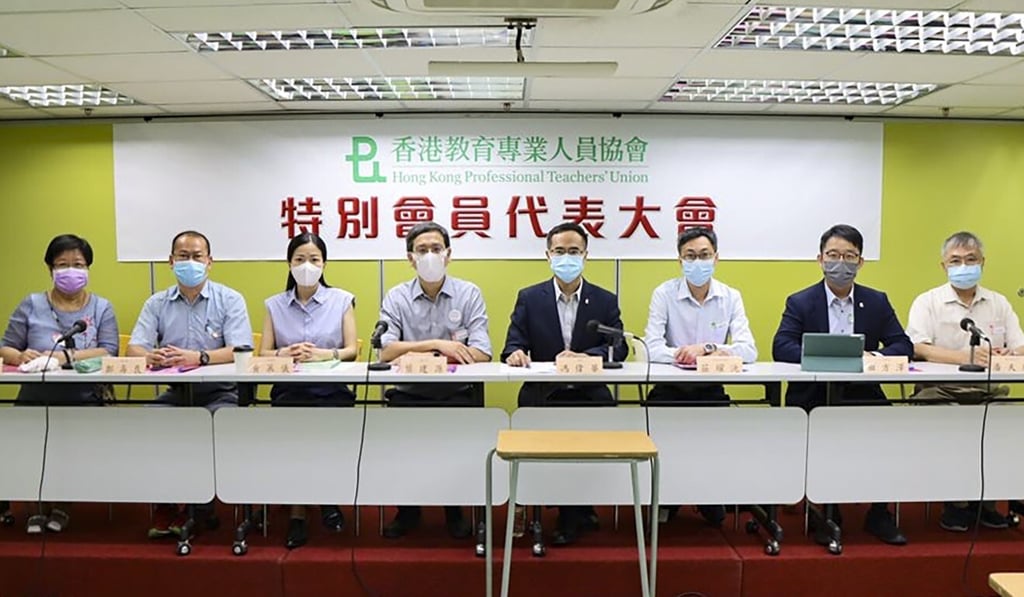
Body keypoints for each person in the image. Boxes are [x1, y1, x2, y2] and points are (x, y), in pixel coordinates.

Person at [772, 224, 912, 546]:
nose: (841, 263)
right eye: (833, 255)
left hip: (862, 393)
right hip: (813, 395)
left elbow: (902, 345)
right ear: (820, 259)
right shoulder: (801, 301)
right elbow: (781, 347)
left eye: (849, 256)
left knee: (892, 427)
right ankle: (826, 511)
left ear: (861, 262)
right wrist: (830, 358)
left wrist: (869, 356)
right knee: (820, 428)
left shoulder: (876, 301)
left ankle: (880, 511)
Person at [501, 222, 627, 545]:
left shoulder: (604, 299)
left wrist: (585, 357)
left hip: (589, 391)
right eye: (560, 252)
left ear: (585, 255)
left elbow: (619, 345)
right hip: (545, 393)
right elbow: (512, 345)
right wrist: (515, 354)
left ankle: (577, 508)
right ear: (548, 255)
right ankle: (571, 509)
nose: (566, 258)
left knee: (594, 422)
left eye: (574, 251)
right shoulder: (530, 298)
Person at [126, 230, 252, 539]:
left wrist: (199, 357)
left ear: (210, 262)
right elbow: (134, 348)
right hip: (176, 393)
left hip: (220, 394)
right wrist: (152, 356)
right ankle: (168, 502)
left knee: (210, 425)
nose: (191, 262)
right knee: (149, 420)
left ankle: (201, 505)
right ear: (171, 262)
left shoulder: (229, 299)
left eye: (197, 256)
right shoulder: (157, 303)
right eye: (183, 256)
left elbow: (242, 350)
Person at [378, 221, 491, 539]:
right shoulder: (396, 296)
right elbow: (386, 350)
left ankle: (454, 509)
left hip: (456, 393)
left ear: (449, 254)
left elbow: (482, 352)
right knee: (404, 449)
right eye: (422, 250)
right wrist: (438, 345)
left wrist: (415, 356)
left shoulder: (468, 294)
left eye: (436, 249)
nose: (430, 255)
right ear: (410, 258)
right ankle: (407, 511)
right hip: (408, 393)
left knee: (455, 449)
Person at [0, 234, 119, 534]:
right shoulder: (32, 304)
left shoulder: (101, 307)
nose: (70, 271)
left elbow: (109, 349)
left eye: (77, 264)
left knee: (70, 451)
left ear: (88, 268)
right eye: (62, 264)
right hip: (35, 396)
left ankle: (63, 506)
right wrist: (20, 354)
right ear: (50, 269)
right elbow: (6, 347)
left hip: (83, 398)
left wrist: (66, 357)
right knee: (29, 449)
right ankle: (36, 509)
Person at [905, 231, 1023, 532]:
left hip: (988, 391)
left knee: (1010, 422)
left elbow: (1020, 344)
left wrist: (1011, 351)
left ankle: (988, 502)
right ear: (943, 266)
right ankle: (956, 503)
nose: (964, 266)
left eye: (971, 260)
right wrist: (961, 357)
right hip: (939, 391)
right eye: (956, 260)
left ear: (982, 263)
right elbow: (917, 346)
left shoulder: (998, 302)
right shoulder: (928, 301)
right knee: (951, 421)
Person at [642, 226, 756, 526]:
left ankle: (708, 493)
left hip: (711, 389)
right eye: (690, 256)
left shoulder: (730, 297)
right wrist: (684, 356)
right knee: (665, 439)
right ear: (680, 261)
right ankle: (667, 498)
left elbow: (748, 349)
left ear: (716, 258)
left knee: (714, 438)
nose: (697, 262)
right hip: (669, 389)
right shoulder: (664, 294)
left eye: (704, 255)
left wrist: (707, 349)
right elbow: (651, 347)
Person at [260, 232, 358, 549]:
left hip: (332, 391)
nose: (307, 265)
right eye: (300, 259)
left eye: (314, 259)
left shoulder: (342, 299)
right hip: (290, 391)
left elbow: (351, 350)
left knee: (326, 439)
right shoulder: (274, 305)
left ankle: (328, 498)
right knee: (293, 444)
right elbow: (262, 354)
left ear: (324, 264)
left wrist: (324, 355)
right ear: (289, 264)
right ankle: (298, 513)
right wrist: (283, 354)